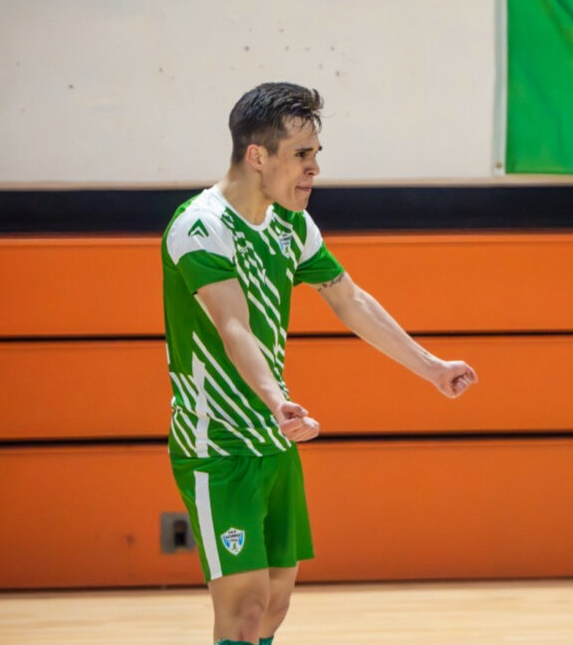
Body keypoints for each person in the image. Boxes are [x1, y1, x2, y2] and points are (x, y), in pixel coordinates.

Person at [160, 82, 478, 645]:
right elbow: (233, 327)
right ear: (257, 156)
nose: (315, 169)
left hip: (275, 441)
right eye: (302, 155)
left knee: (276, 604)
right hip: (218, 445)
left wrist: (432, 367)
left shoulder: (292, 224)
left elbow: (349, 299)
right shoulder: (200, 226)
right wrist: (275, 398)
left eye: (316, 154)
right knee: (244, 610)